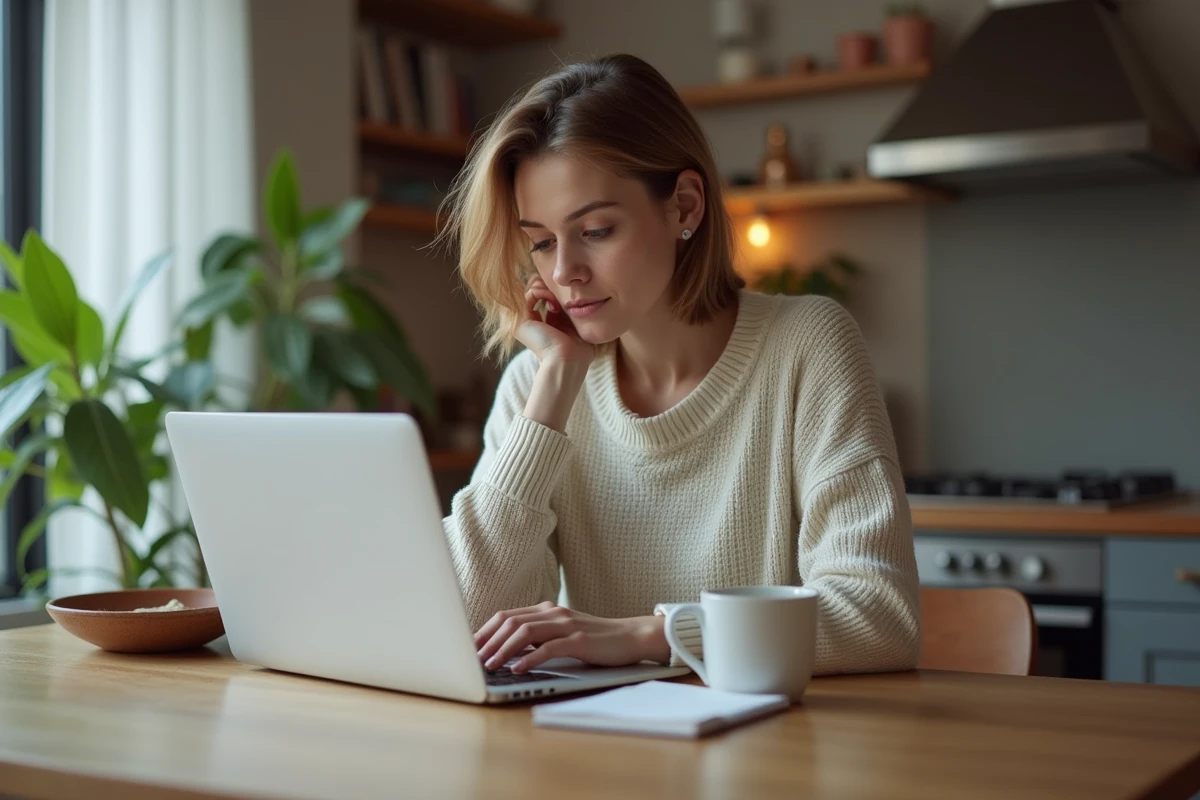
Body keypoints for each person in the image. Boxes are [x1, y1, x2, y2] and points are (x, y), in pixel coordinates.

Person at [433, 53, 919, 677]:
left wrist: (652, 635)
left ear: (686, 206)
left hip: (776, 757)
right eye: (542, 241)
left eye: (598, 230)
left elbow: (880, 617)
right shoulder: (537, 384)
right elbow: (464, 619)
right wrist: (555, 388)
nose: (563, 273)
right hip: (591, 755)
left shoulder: (807, 345)